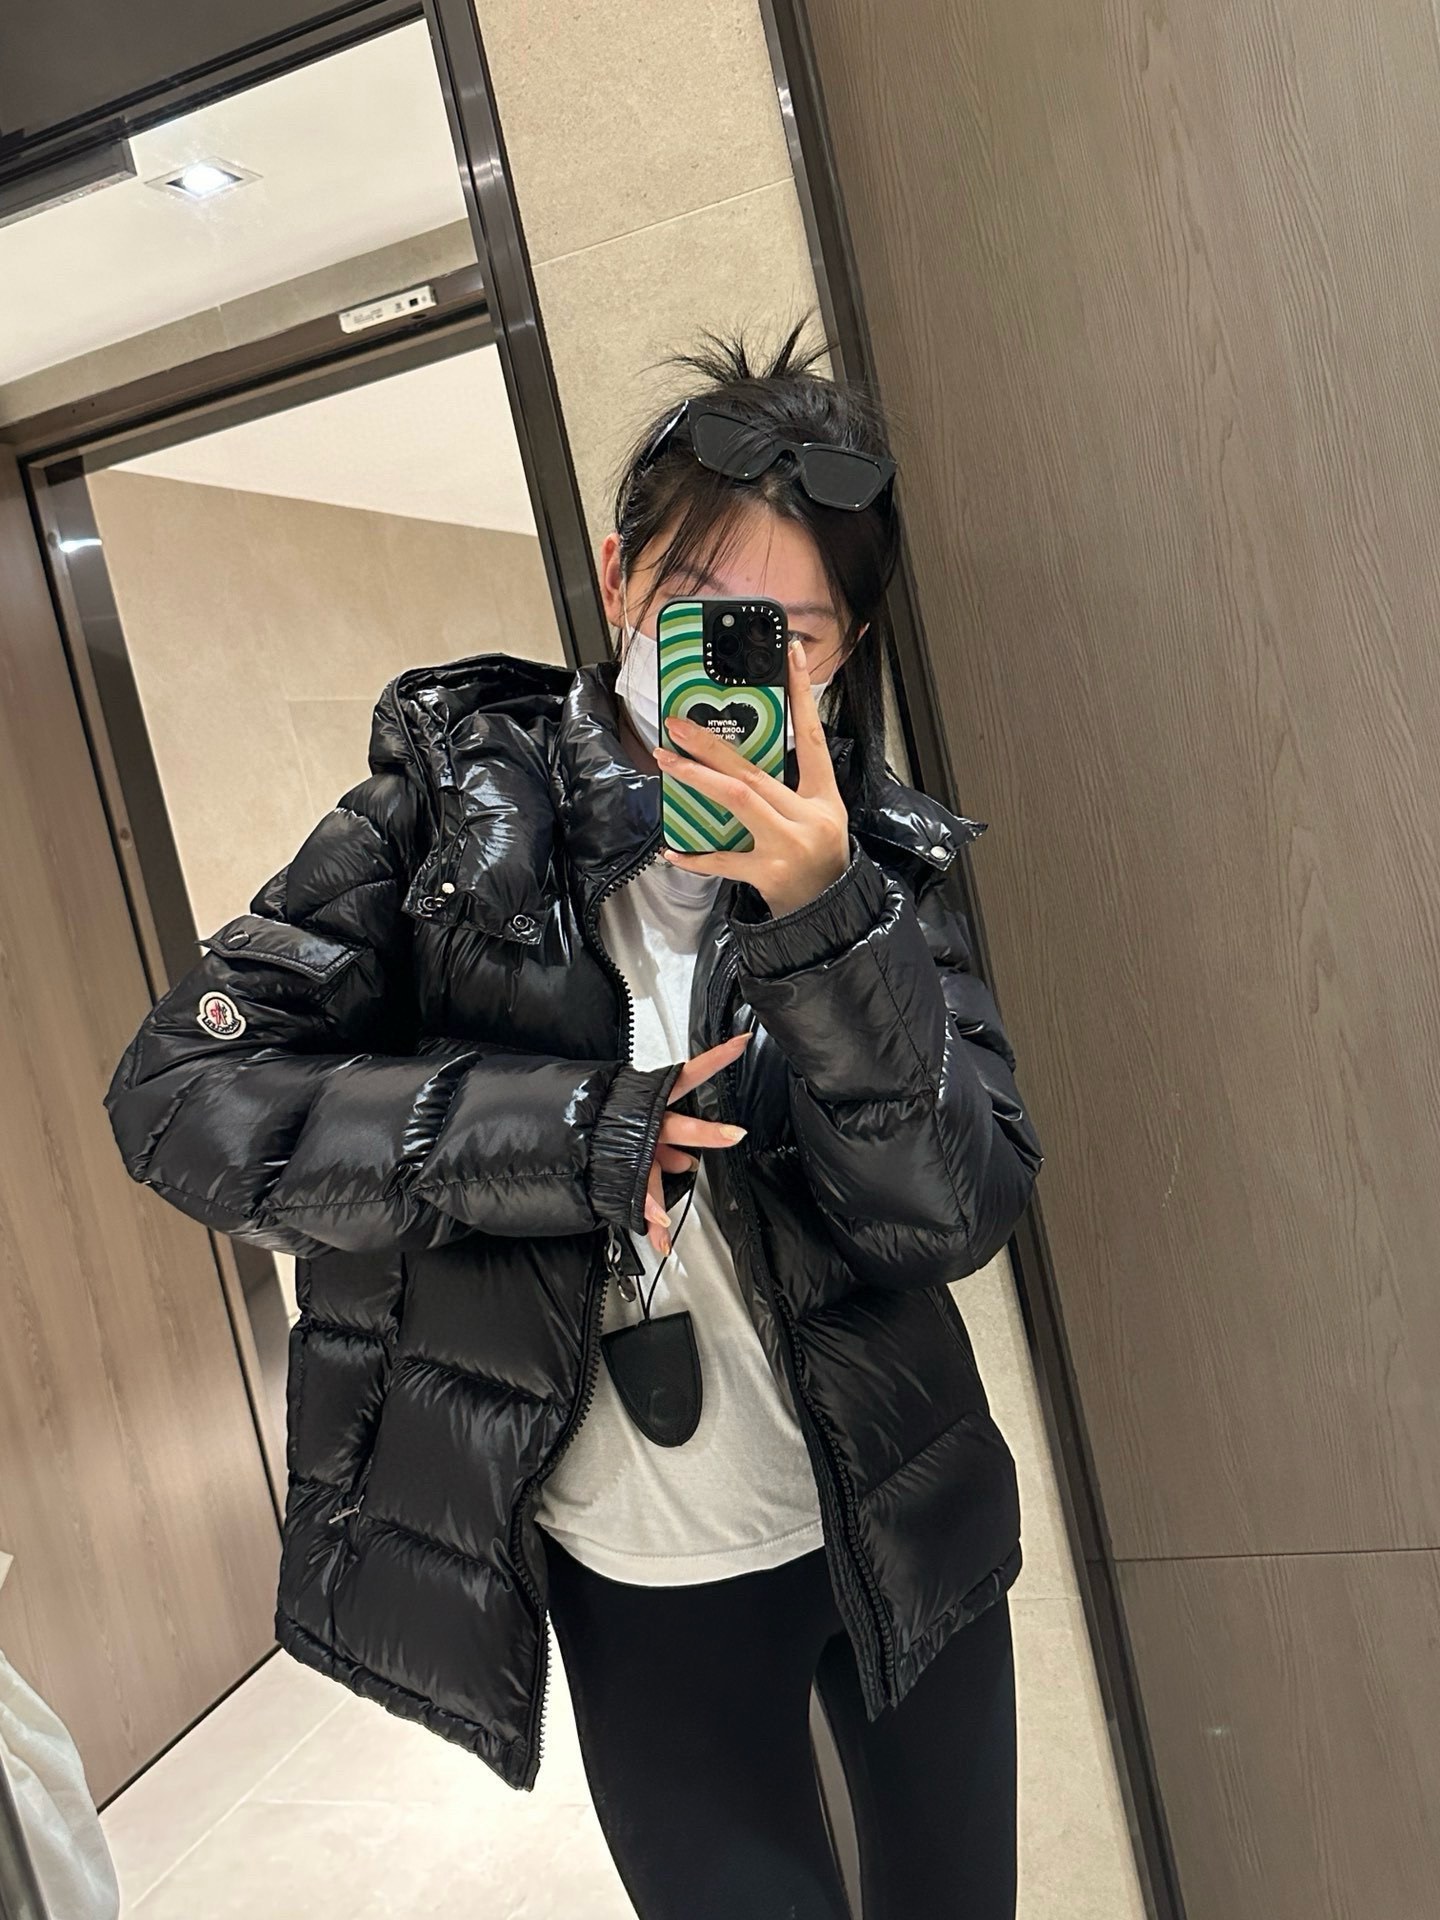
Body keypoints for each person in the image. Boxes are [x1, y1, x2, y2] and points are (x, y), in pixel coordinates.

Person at [104, 321, 1044, 1920]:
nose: (736, 663)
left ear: (842, 655)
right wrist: (572, 1137)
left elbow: (951, 1212)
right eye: (700, 607)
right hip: (647, 1587)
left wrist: (826, 920)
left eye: (792, 635)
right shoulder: (447, 815)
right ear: (619, 584)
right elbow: (180, 1094)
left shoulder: (880, 865)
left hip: (903, 1519)